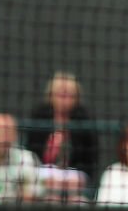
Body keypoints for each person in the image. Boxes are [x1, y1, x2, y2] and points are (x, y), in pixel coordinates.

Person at [26, 71, 99, 201]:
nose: (64, 99)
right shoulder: (39, 117)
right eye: (60, 94)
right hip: (44, 173)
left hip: (73, 176)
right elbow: (31, 153)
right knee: (49, 196)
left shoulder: (84, 120)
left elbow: (90, 161)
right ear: (51, 95)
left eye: (69, 95)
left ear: (77, 98)